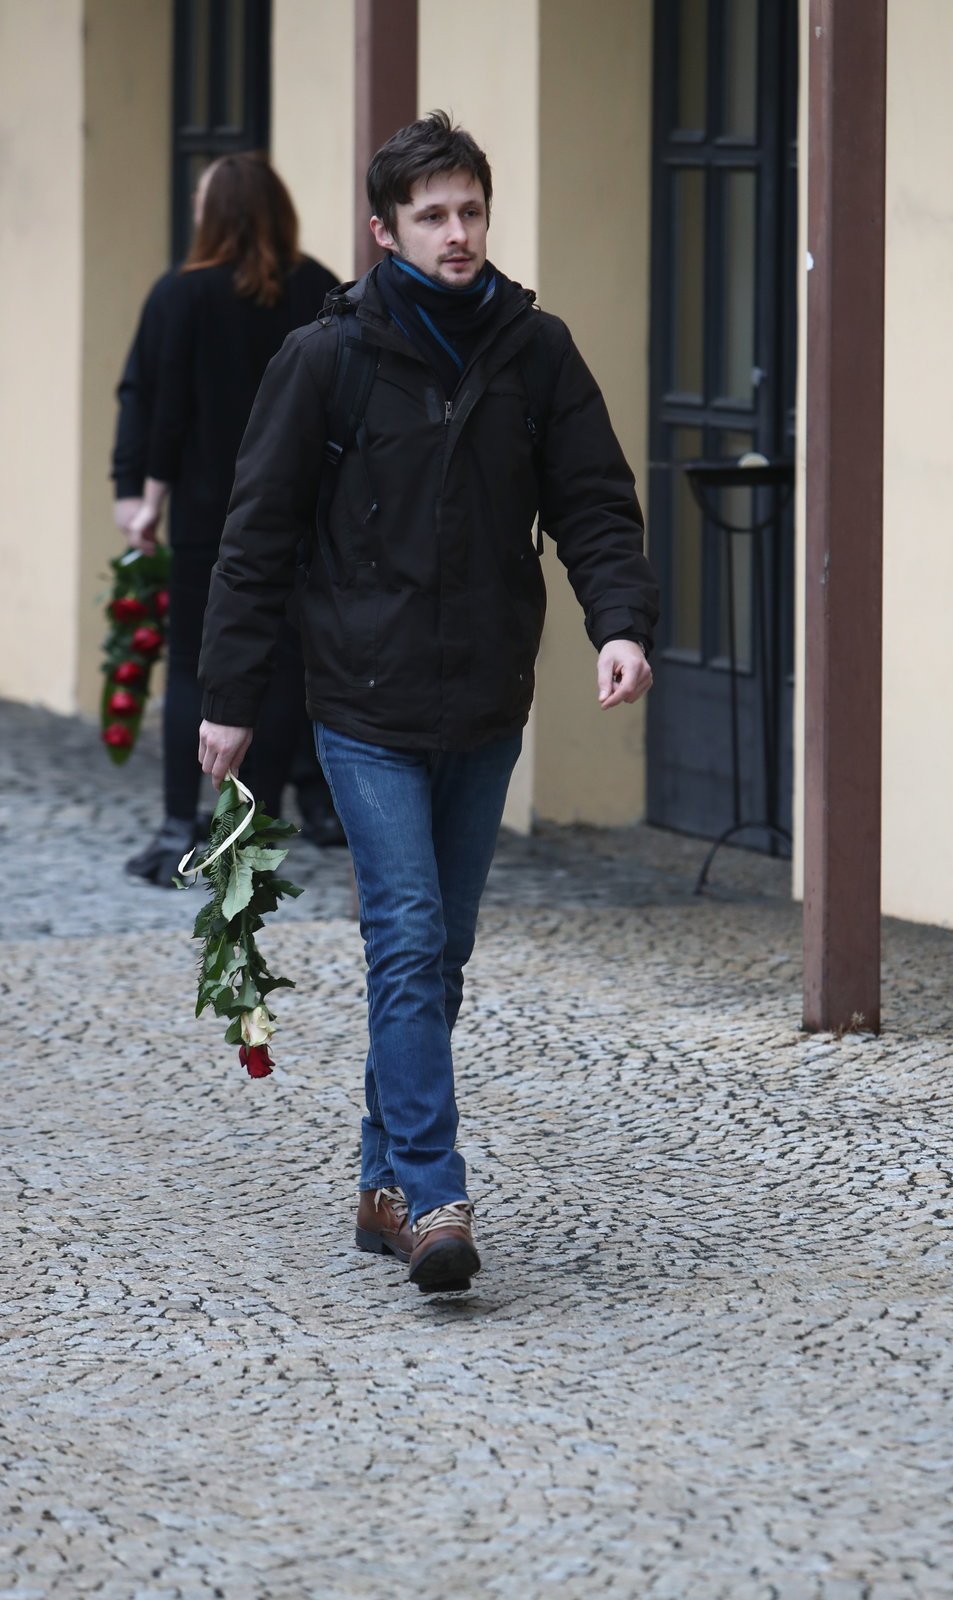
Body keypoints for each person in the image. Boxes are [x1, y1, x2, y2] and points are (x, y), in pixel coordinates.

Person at [196, 112, 659, 1294]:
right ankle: (436, 1195)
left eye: (470, 212)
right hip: (361, 701)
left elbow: (595, 500)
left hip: (487, 701)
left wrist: (619, 624)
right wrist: (230, 696)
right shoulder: (326, 358)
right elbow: (256, 537)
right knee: (403, 938)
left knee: (439, 955)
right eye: (433, 217)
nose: (458, 236)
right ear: (385, 231)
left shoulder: (533, 348)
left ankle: (381, 1179)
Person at [113, 152, 342, 885]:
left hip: (210, 513)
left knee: (195, 665)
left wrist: (143, 495)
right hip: (305, 512)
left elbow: (155, 401)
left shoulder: (181, 294)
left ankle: (185, 823)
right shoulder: (321, 287)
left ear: (212, 216)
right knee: (283, 668)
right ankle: (258, 821)